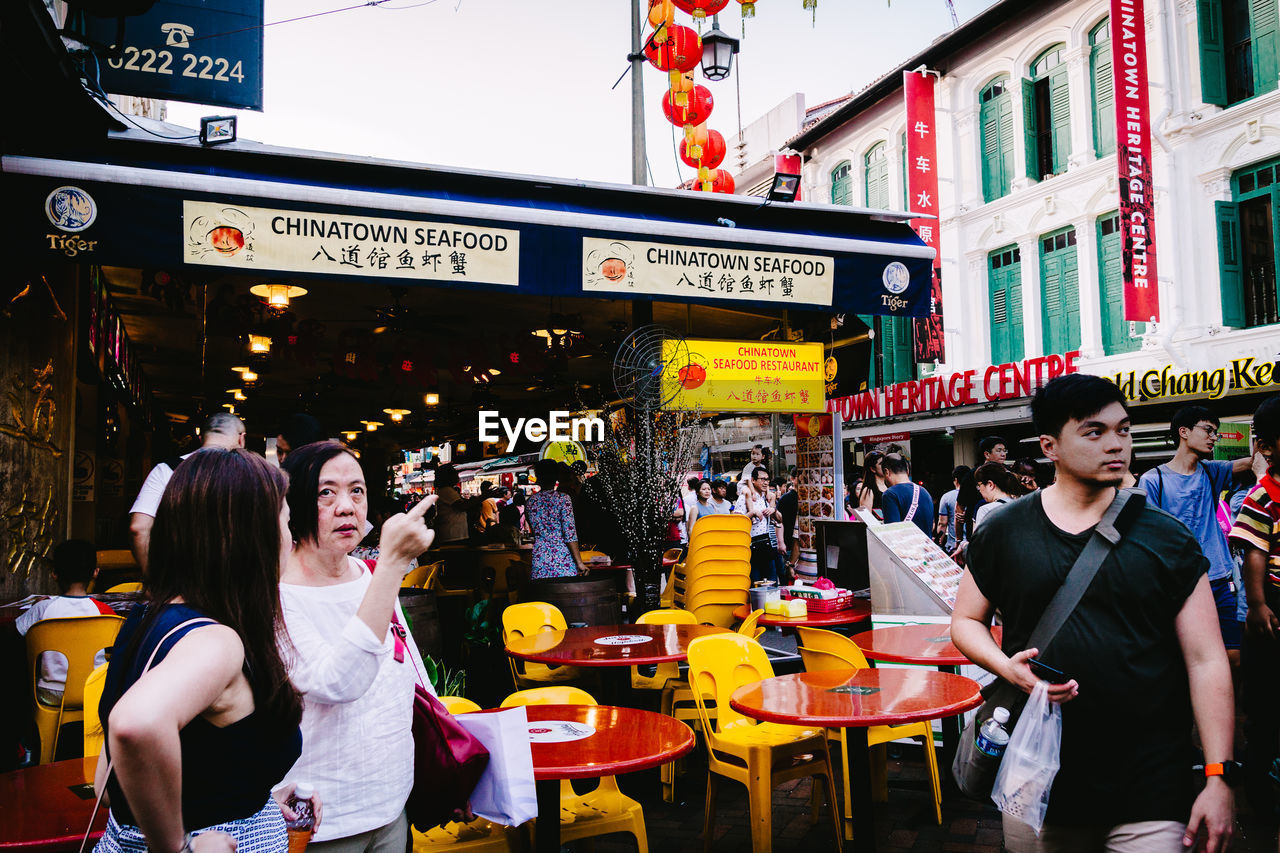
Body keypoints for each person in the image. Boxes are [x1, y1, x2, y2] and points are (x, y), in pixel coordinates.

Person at [951, 374, 1234, 852]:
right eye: (1094, 432)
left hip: (1151, 781)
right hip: (1036, 774)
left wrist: (1217, 775)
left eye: (1122, 430)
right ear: (1049, 445)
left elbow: (1206, 660)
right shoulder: (1006, 531)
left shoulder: (1168, 538)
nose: (1116, 444)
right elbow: (965, 621)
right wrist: (1007, 669)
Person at [96, 449, 310, 853]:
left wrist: (247, 799)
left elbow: (106, 785)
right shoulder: (217, 642)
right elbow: (134, 725)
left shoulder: (143, 623)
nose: (291, 536)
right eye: (284, 519)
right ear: (252, 537)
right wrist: (176, 847)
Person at [279, 441, 436, 853]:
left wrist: (447, 761)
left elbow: (411, 673)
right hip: (321, 821)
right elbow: (335, 683)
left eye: (357, 491)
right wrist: (392, 565)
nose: (346, 507)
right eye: (325, 492)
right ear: (293, 503)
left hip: (391, 805)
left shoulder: (369, 574)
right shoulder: (276, 595)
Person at [1140, 405, 1262, 659]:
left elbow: (1253, 462)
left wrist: (1262, 437)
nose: (1213, 437)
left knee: (1234, 656)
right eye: (1208, 430)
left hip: (1219, 578)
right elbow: (1145, 537)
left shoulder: (1211, 471)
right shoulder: (1153, 480)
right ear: (1183, 432)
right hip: (1177, 583)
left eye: (1215, 433)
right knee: (1186, 658)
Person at [1229, 394, 1280, 817]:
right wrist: (1258, 604)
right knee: (1265, 700)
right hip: (1273, 608)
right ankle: (1260, 783)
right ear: (1265, 447)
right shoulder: (1263, 495)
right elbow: (1254, 553)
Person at [129, 413, 245, 569]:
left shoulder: (166, 470)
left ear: (201, 439)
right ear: (241, 439)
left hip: (178, 580)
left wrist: (154, 581)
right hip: (233, 578)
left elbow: (139, 528)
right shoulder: (250, 474)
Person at [18, 539, 113, 707]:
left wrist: (37, 606)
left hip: (52, 693)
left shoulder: (42, 608)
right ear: (95, 572)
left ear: (54, 573)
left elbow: (14, 633)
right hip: (95, 690)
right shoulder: (104, 611)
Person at [525, 459, 589, 579]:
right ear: (556, 477)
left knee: (543, 596)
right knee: (563, 595)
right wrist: (579, 562)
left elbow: (533, 529)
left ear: (538, 477)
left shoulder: (530, 502)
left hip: (539, 558)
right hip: (562, 559)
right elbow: (570, 534)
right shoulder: (563, 499)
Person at [736, 466, 779, 583]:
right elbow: (737, 521)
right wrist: (752, 512)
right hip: (751, 545)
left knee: (771, 582)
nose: (765, 483)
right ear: (753, 480)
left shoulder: (765, 498)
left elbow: (779, 520)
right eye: (762, 479)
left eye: (767, 480)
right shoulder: (744, 497)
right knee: (755, 582)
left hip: (766, 543)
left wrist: (773, 509)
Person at [879, 454, 935, 538]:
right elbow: (932, 525)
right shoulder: (924, 492)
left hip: (905, 550)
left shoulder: (890, 494)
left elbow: (892, 532)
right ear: (908, 471)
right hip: (926, 548)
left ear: (887, 472)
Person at [431, 464, 479, 546]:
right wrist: (484, 496)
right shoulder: (446, 490)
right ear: (448, 476)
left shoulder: (446, 490)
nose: (457, 475)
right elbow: (462, 506)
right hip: (452, 534)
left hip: (454, 533)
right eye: (454, 473)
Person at [971, 461, 1028, 530]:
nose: (979, 490)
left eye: (979, 485)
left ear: (990, 484)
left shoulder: (986, 510)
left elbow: (980, 540)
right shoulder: (1023, 504)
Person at [935, 465, 970, 552]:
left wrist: (939, 542)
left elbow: (942, 523)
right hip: (971, 545)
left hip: (954, 546)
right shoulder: (978, 495)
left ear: (956, 480)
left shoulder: (947, 497)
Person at [776, 474, 799, 567]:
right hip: (788, 545)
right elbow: (778, 522)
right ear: (792, 479)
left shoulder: (806, 498)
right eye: (799, 475)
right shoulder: (785, 499)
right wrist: (781, 542)